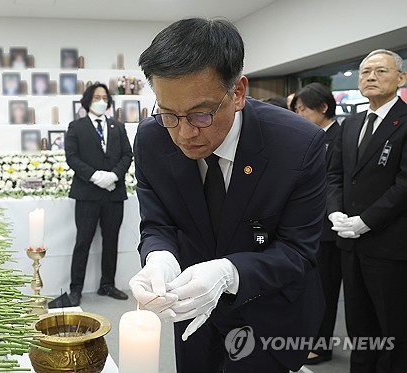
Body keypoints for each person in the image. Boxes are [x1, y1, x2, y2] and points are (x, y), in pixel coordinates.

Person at [129, 18, 326, 373]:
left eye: (201, 114)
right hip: (193, 314)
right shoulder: (152, 139)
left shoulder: (297, 145)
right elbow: (157, 222)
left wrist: (228, 272)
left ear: (237, 93)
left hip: (269, 314)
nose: (185, 133)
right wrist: (158, 258)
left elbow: (299, 251)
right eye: (169, 113)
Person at [327, 49, 407, 372]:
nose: (370, 77)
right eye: (365, 72)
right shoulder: (352, 123)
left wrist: (365, 221)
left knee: (393, 330)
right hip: (349, 244)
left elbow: (404, 184)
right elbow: (335, 175)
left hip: (389, 246)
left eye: (380, 71)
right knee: (359, 327)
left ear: (400, 78)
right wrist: (334, 212)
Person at [65, 83, 133, 307]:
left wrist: (113, 176)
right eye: (97, 97)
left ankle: (108, 284)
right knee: (83, 241)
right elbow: (72, 157)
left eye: (105, 97)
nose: (101, 100)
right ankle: (76, 289)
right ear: (88, 100)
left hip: (114, 194)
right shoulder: (76, 127)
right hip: (87, 194)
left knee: (111, 241)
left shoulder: (117, 126)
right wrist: (95, 176)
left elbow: (127, 154)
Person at [291, 82, 342, 365]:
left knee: (325, 290)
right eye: (295, 110)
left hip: (329, 227)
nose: (298, 115)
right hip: (308, 226)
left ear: (323, 108)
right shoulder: (309, 137)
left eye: (303, 109)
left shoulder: (338, 136)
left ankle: (321, 345)